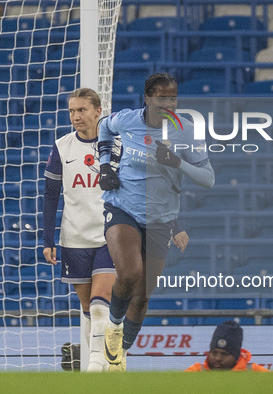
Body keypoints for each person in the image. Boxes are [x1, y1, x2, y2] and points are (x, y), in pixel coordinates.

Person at [97, 72, 215, 371]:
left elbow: (208, 179)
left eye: (173, 97)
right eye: (162, 97)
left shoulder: (185, 131)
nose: (169, 103)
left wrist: (177, 161)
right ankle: (113, 327)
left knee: (143, 296)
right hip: (123, 207)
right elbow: (103, 127)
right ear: (147, 98)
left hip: (161, 218)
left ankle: (120, 353)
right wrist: (106, 164)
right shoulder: (127, 119)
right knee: (130, 272)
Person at [42, 88, 116, 372]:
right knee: (89, 311)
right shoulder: (62, 147)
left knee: (100, 305)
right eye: (72, 111)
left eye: (82, 110)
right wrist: (48, 239)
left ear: (98, 111)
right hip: (74, 238)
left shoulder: (118, 145)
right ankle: (106, 362)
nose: (75, 117)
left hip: (110, 237)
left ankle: (94, 370)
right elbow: (51, 194)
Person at [185, 320, 270, 372]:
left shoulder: (255, 373)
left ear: (236, 357)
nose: (217, 358)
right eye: (214, 353)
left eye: (224, 354)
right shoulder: (196, 372)